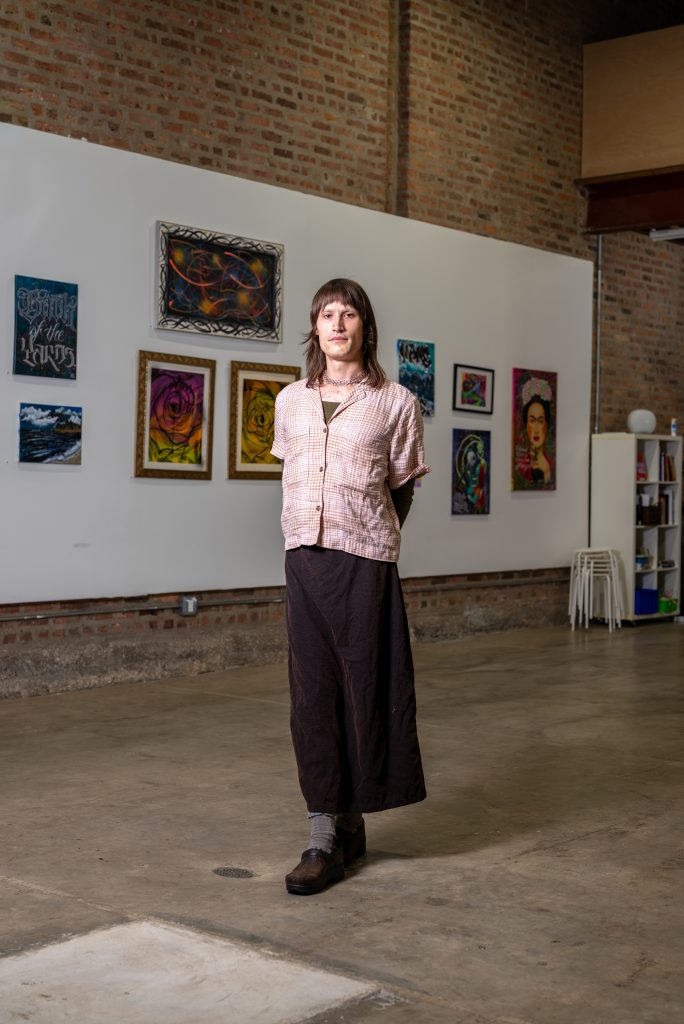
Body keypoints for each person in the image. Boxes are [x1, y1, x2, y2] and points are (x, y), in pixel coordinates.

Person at [271, 278, 429, 896]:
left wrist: (368, 531)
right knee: (312, 694)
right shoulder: (290, 401)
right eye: (326, 314)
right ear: (314, 327)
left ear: (366, 326)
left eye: (349, 314)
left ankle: (354, 817)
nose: (337, 324)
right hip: (303, 560)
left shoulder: (396, 402)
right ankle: (322, 834)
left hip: (364, 559)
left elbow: (402, 487)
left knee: (365, 688)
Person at [514, 378, 554, 488]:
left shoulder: (551, 465)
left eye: (540, 421)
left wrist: (546, 471)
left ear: (546, 426)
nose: (536, 429)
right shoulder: (520, 466)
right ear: (526, 425)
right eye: (532, 421)